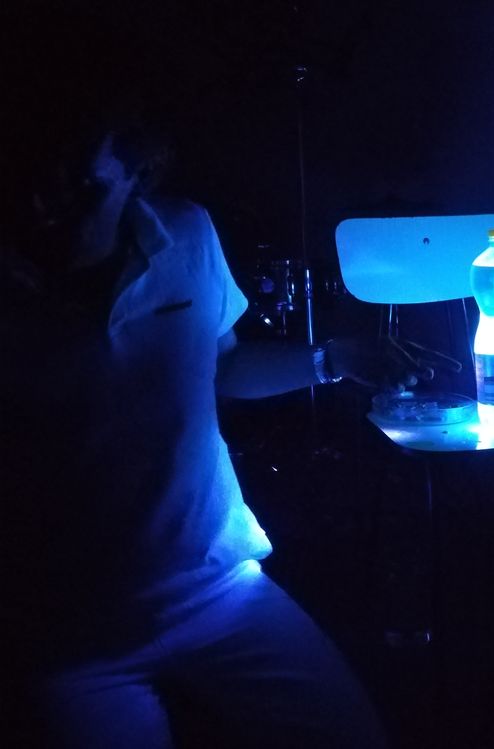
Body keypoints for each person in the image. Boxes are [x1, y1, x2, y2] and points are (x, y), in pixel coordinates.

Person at [0, 107, 445, 747]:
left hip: (218, 589)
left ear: (136, 175)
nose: (51, 211)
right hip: (67, 631)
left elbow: (223, 364)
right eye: (37, 184)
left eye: (87, 188)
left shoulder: (185, 234)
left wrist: (334, 359)